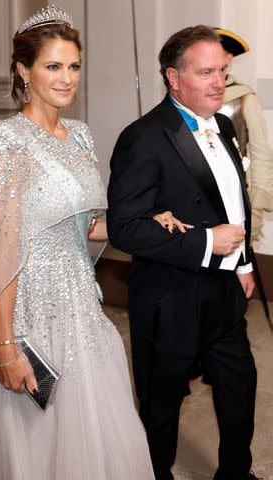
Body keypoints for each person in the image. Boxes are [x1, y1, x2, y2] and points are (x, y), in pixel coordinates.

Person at [0, 5, 176, 479]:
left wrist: (144, 221)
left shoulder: (79, 135)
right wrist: (7, 346)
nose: (67, 78)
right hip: (31, 312)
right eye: (53, 66)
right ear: (23, 69)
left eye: (73, 66)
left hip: (81, 305)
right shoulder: (6, 138)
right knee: (40, 440)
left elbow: (89, 227)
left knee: (99, 430)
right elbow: (3, 247)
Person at [107, 25, 261, 480]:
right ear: (173, 78)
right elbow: (125, 228)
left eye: (224, 71)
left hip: (224, 290)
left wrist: (244, 262)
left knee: (240, 387)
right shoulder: (143, 137)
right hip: (169, 295)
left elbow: (233, 203)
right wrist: (207, 241)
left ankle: (236, 471)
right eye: (206, 72)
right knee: (161, 402)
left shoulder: (226, 123)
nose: (219, 82)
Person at [215, 28, 273, 244]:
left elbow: (261, 155)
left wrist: (256, 207)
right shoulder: (188, 96)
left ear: (229, 59)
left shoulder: (244, 97)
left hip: (235, 192)